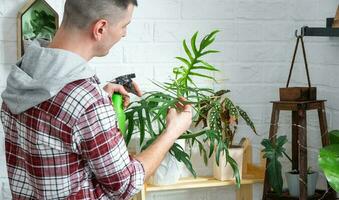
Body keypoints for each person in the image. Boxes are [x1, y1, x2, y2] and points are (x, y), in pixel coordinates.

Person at [0, 0, 192, 199]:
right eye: (124, 26)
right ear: (100, 28)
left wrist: (95, 99)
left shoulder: (21, 75)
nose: (124, 33)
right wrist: (173, 131)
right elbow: (126, 184)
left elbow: (54, 129)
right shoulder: (88, 102)